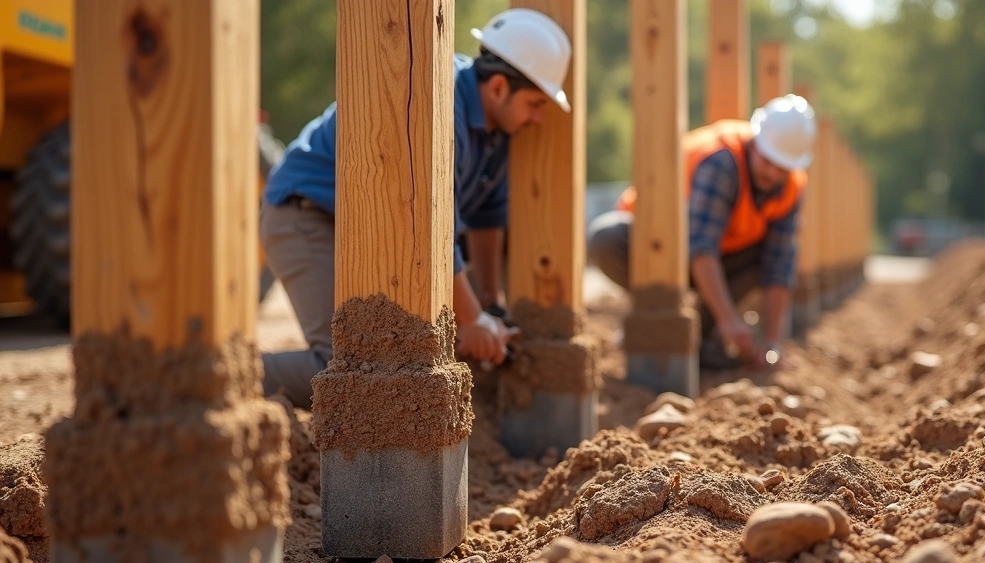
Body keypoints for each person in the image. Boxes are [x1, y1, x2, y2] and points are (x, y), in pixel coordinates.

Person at [258, 9, 573, 409]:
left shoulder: (498, 133)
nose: (540, 118)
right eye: (534, 103)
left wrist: (489, 306)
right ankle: (222, 379)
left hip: (370, 224)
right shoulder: (441, 106)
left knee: (391, 357)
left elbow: (486, 219)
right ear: (497, 88)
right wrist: (473, 320)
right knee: (347, 366)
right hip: (306, 214)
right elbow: (432, 231)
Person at [588, 95, 817, 370]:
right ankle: (655, 316)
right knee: (606, 239)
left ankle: (699, 334)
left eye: (781, 168)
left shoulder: (792, 188)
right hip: (658, 246)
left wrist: (771, 342)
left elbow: (778, 264)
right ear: (755, 141)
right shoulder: (721, 161)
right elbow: (701, 246)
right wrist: (729, 320)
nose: (771, 173)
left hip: (718, 258)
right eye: (767, 160)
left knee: (770, 259)